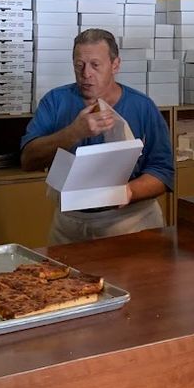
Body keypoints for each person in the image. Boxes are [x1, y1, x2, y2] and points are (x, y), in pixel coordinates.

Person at [20, 28, 174, 244]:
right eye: (79, 65)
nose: (86, 74)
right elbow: (28, 159)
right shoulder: (55, 102)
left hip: (132, 221)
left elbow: (163, 172)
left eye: (95, 65)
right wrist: (74, 132)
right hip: (70, 223)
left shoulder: (142, 107)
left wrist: (128, 191)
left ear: (115, 65)